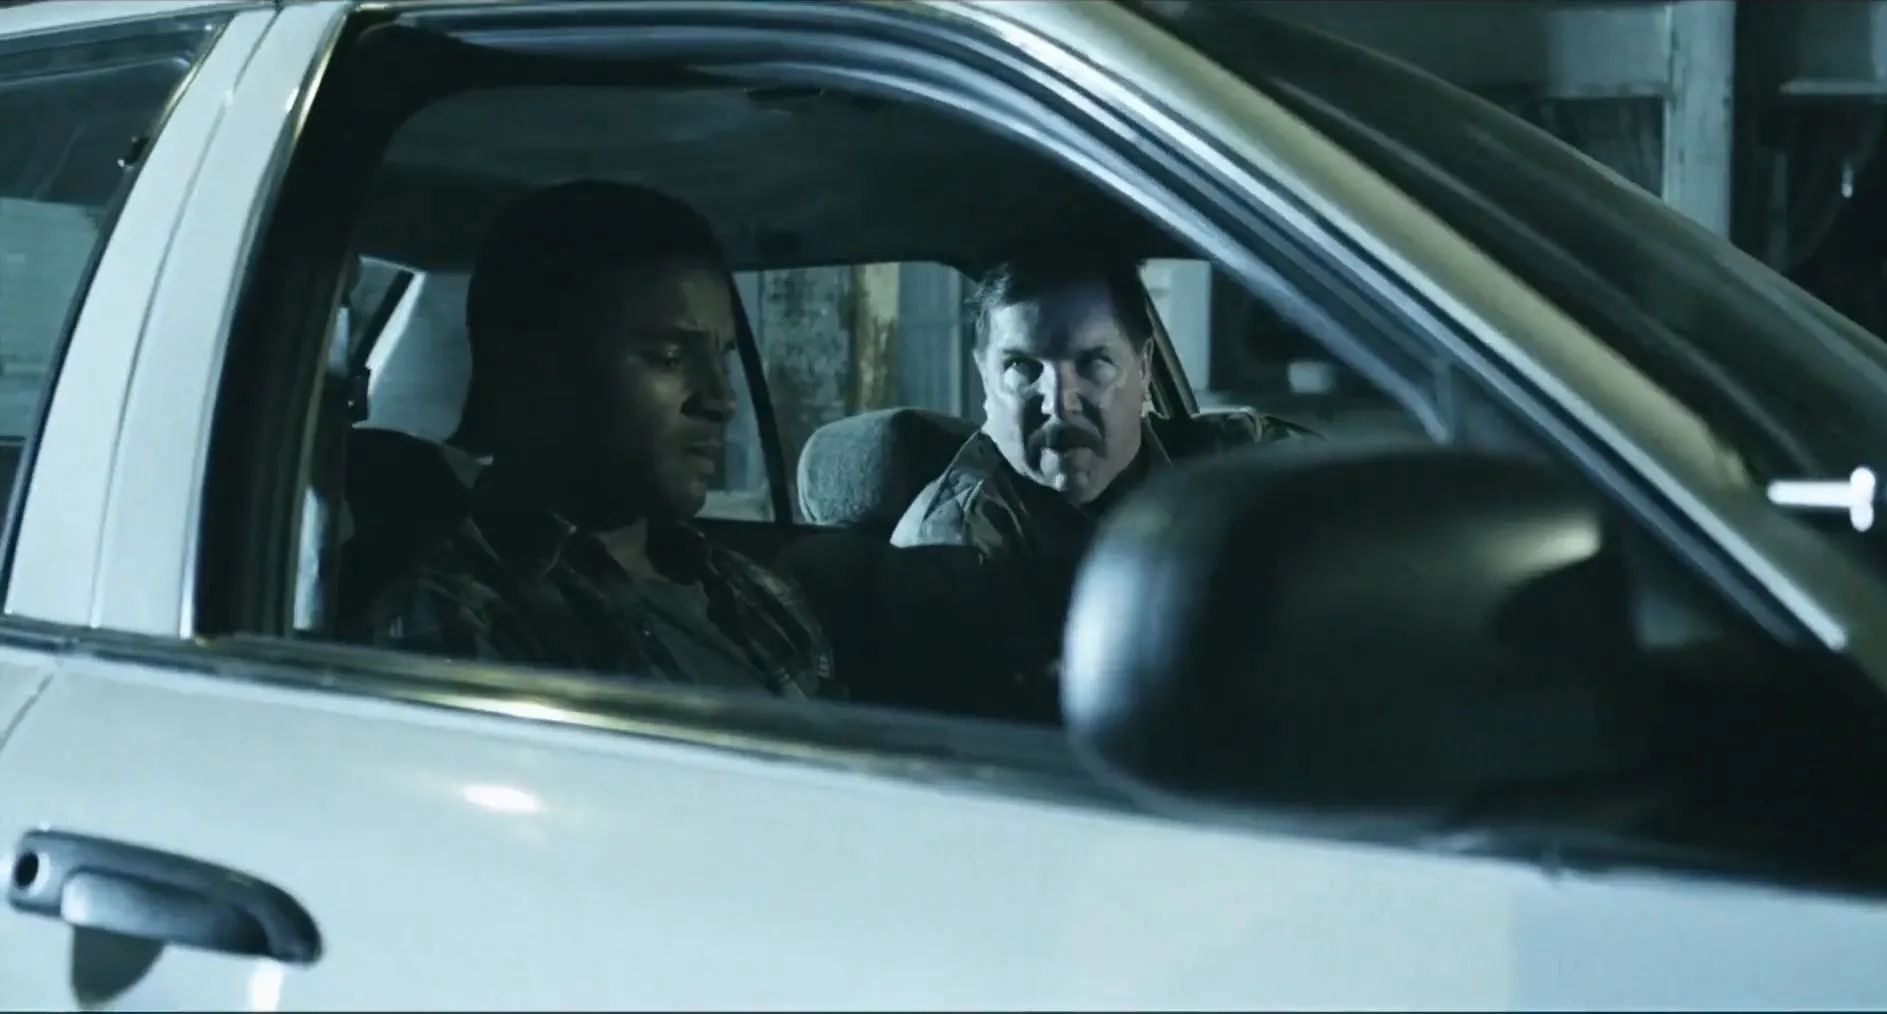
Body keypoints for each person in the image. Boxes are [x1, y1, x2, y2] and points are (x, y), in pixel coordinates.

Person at [348, 180, 836, 699]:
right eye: (670, 358)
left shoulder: (755, 592)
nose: (722, 399)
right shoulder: (458, 620)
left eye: (723, 359)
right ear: (527, 370)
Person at [893, 252, 1307, 563]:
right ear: (985, 377)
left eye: (1093, 363)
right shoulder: (953, 547)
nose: (1059, 402)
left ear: (1144, 369)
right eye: (1021, 367)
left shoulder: (1243, 460)